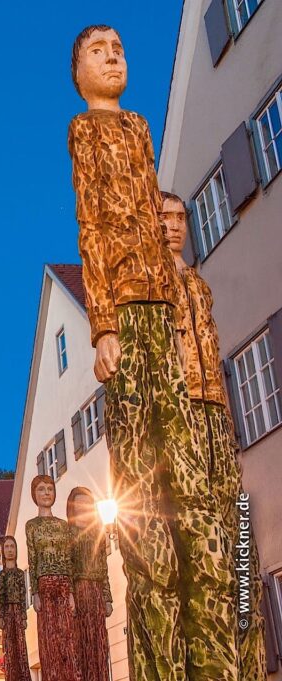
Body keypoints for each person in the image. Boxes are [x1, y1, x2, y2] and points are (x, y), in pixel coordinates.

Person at [68, 24, 237, 681]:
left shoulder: (138, 128)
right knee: (146, 487)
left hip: (165, 326)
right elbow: (93, 223)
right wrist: (103, 323)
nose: (113, 55)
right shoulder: (86, 132)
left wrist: (165, 309)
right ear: (78, 71)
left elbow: (142, 212)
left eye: (119, 47)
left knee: (208, 510)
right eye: (97, 49)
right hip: (129, 315)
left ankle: (223, 642)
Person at [161, 191, 268, 680]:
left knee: (237, 535)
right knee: (198, 538)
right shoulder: (155, 282)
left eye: (181, 217)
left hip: (215, 411)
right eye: (164, 218)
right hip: (182, 410)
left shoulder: (198, 285)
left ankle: (247, 656)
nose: (174, 226)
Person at [25, 476, 79, 681]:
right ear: (34, 495)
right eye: (41, 489)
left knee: (68, 637)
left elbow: (68, 558)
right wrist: (35, 593)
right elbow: (32, 558)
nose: (46, 493)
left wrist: (72, 593)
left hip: (64, 582)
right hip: (44, 583)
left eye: (49, 489)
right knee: (49, 638)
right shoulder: (32, 525)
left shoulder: (62, 525)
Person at [67, 487, 112, 681]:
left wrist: (107, 597)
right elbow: (67, 565)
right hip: (79, 590)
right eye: (80, 503)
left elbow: (104, 568)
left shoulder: (98, 533)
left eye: (88, 502)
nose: (84, 506)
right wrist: (70, 594)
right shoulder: (68, 532)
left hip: (96, 590)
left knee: (100, 643)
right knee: (81, 642)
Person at [0, 537, 30, 681]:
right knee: (9, 645)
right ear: (3, 551)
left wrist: (23, 616)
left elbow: (23, 596)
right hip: (7, 613)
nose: (10, 550)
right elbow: (1, 596)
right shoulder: (2, 574)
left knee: (21, 645)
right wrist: (0, 616)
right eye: (7, 547)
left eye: (12, 547)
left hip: (17, 611)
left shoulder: (20, 573)